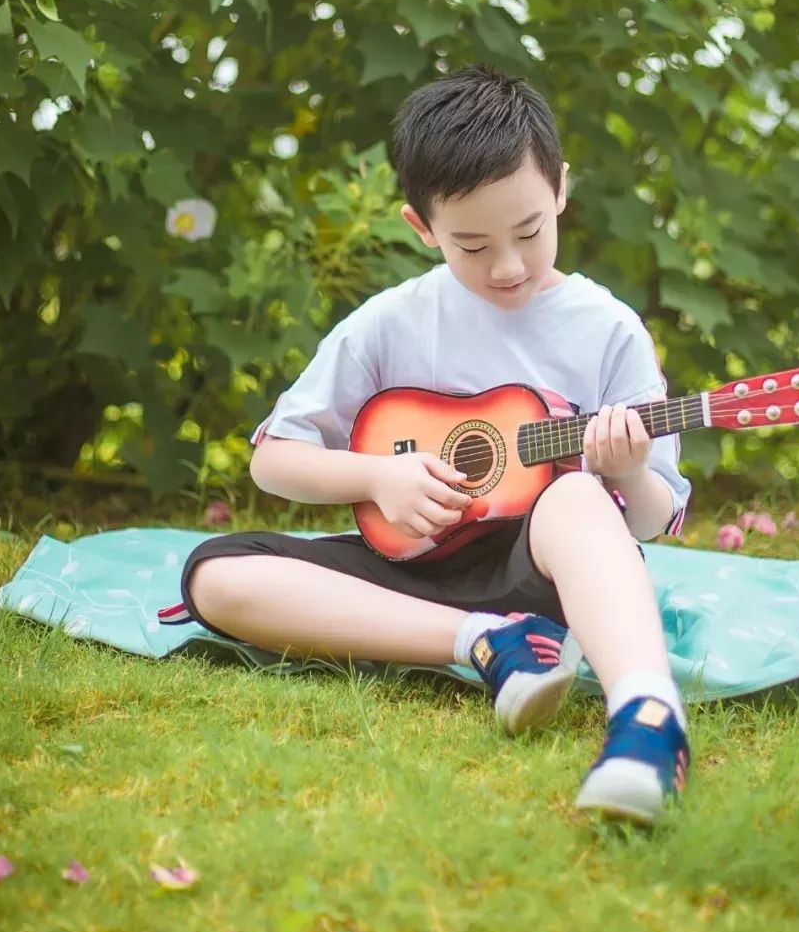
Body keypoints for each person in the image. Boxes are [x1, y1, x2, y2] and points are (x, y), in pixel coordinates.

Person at [180, 66, 691, 824]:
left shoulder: (606, 328)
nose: (509, 266)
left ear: (560, 191)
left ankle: (650, 722)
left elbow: (652, 521)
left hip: (550, 577)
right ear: (422, 228)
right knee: (214, 575)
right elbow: (273, 458)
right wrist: (375, 480)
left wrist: (629, 473)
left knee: (577, 492)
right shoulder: (390, 321)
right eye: (473, 245)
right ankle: (486, 643)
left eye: (528, 232)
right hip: (407, 578)